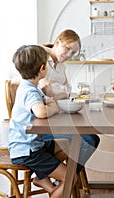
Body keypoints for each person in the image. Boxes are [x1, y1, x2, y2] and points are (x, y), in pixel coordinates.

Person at [8, 45, 68, 197]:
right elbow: (41, 112)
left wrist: (48, 99)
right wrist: (53, 108)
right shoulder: (30, 91)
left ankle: (42, 177)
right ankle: (47, 179)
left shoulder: (27, 86)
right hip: (28, 150)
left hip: (30, 144)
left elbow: (41, 103)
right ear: (42, 68)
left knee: (67, 146)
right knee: (69, 177)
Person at [39, 29, 100, 173]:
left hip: (57, 118)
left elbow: (67, 89)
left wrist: (61, 94)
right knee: (89, 140)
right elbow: (15, 78)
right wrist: (42, 81)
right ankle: (65, 182)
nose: (68, 55)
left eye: (73, 53)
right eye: (67, 49)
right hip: (41, 124)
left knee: (93, 139)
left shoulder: (61, 66)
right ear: (58, 42)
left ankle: (64, 181)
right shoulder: (39, 54)